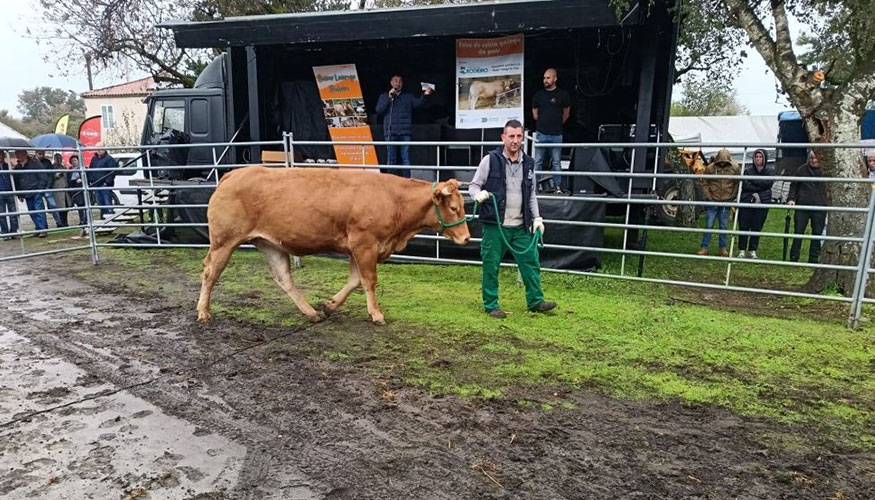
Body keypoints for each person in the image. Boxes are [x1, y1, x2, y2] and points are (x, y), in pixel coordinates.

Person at [468, 119, 557, 319]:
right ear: (503, 137)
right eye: (511, 136)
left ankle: (535, 301)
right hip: (496, 225)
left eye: (519, 136)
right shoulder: (490, 160)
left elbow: (531, 193)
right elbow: (473, 186)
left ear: (523, 138)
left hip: (520, 226)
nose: (515, 140)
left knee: (531, 262)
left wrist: (537, 218)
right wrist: (477, 195)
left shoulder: (529, 164)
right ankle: (491, 304)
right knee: (491, 266)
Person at [375, 74, 432, 178]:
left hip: (405, 131)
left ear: (402, 84)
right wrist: (389, 97)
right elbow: (379, 110)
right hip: (390, 131)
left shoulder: (408, 96)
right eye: (395, 81)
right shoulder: (384, 96)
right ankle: (390, 179)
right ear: (391, 83)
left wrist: (425, 95)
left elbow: (418, 104)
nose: (397, 83)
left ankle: (407, 180)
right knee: (391, 158)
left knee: (405, 157)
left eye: (400, 81)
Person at [532, 68, 571, 194]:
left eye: (548, 78)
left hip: (556, 133)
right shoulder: (538, 95)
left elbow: (566, 113)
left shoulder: (563, 94)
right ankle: (534, 187)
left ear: (555, 79)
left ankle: (557, 187)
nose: (545, 80)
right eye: (544, 78)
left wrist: (557, 123)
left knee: (556, 162)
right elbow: (535, 114)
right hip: (541, 133)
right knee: (537, 162)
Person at [696, 149, 740, 256]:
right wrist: (708, 197)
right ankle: (704, 247)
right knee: (709, 225)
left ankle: (722, 248)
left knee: (723, 226)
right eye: (721, 161)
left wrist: (732, 196)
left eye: (725, 162)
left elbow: (737, 183)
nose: (722, 163)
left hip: (726, 201)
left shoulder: (735, 168)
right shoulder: (710, 168)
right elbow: (705, 183)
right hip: (713, 200)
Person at [788, 150, 828, 263]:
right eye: (812, 158)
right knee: (798, 232)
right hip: (803, 206)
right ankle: (794, 257)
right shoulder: (802, 170)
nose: (814, 160)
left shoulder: (827, 171)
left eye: (816, 158)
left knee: (817, 233)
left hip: (820, 206)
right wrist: (791, 199)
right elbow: (794, 186)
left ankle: (813, 258)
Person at [737, 149, 773, 258]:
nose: (758, 159)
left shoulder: (769, 171)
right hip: (748, 201)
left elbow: (768, 184)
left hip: (762, 203)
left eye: (760, 157)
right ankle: (742, 250)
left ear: (764, 158)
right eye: (756, 157)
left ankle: (753, 250)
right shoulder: (747, 171)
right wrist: (756, 190)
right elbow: (745, 185)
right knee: (744, 226)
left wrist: (754, 183)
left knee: (757, 226)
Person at [11, 150, 48, 237]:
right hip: (26, 191)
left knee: (38, 209)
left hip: (36, 190)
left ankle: (42, 229)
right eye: (17, 154)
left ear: (25, 154)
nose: (18, 156)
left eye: (19, 154)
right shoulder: (18, 167)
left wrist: (40, 188)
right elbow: (17, 182)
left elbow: (43, 176)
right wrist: (20, 194)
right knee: (32, 211)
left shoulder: (35, 164)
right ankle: (39, 228)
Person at [90, 143, 118, 217]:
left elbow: (112, 172)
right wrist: (91, 180)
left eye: (100, 148)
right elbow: (91, 170)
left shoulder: (109, 159)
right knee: (100, 203)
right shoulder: (94, 159)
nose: (98, 150)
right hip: (96, 184)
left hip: (105, 185)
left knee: (107, 202)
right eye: (97, 148)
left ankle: (110, 218)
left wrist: (107, 182)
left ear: (104, 148)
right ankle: (103, 218)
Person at [36, 150, 63, 227]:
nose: (41, 155)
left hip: (46, 186)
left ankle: (59, 222)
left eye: (42, 154)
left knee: (53, 205)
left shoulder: (47, 162)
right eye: (39, 154)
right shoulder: (33, 162)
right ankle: (43, 225)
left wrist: (49, 185)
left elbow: (51, 174)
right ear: (36, 153)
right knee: (39, 208)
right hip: (37, 187)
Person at [0, 151, 19, 239]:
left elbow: (14, 178)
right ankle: (5, 232)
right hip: (1, 193)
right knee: (2, 214)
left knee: (13, 213)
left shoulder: (8, 166)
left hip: (10, 191)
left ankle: (13, 231)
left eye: (1, 154)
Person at [67, 156, 89, 234]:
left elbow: (88, 178)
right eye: (72, 160)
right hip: (75, 190)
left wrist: (82, 180)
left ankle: (86, 220)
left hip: (83, 189)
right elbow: (69, 181)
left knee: (85, 205)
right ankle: (82, 220)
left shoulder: (83, 168)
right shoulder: (70, 170)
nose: (74, 162)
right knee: (79, 206)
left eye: (75, 160)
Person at [50, 153, 69, 227]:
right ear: (54, 159)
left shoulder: (64, 168)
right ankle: (60, 222)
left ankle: (65, 222)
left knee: (66, 206)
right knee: (59, 207)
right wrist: (57, 175)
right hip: (57, 190)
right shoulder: (51, 168)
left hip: (65, 190)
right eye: (57, 158)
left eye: (60, 158)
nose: (58, 160)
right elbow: (51, 177)